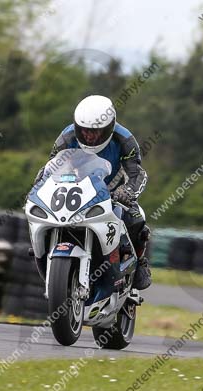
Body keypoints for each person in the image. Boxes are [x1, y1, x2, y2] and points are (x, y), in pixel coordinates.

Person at [37, 94, 152, 289]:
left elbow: (137, 173)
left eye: (95, 132)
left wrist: (127, 191)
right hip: (74, 189)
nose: (89, 136)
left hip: (113, 193)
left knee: (137, 218)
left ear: (109, 127)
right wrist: (39, 188)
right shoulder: (67, 137)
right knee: (40, 214)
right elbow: (49, 169)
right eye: (84, 130)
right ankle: (44, 252)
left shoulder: (124, 139)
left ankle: (139, 263)